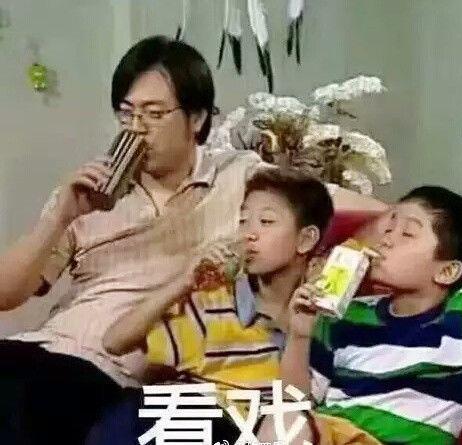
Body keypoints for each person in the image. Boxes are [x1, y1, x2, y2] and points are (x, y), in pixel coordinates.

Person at [0, 35, 386, 444]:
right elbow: (7, 296)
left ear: (197, 119)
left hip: (108, 374)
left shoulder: (240, 177)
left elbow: (354, 211)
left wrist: (406, 228)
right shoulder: (88, 194)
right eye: (126, 113)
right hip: (38, 351)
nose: (136, 128)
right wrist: (59, 218)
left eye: (154, 114)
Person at [85, 167, 333, 444]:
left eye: (266, 222)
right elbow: (115, 341)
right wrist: (185, 281)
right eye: (243, 221)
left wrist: (299, 336)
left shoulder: (320, 320)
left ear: (306, 239)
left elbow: (294, 410)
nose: (249, 234)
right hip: (179, 416)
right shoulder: (217, 300)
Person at [278, 185, 462, 445]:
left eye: (407, 234)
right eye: (388, 229)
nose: (386, 240)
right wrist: (299, 336)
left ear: (447, 271)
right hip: (328, 433)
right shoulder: (347, 314)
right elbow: (293, 404)